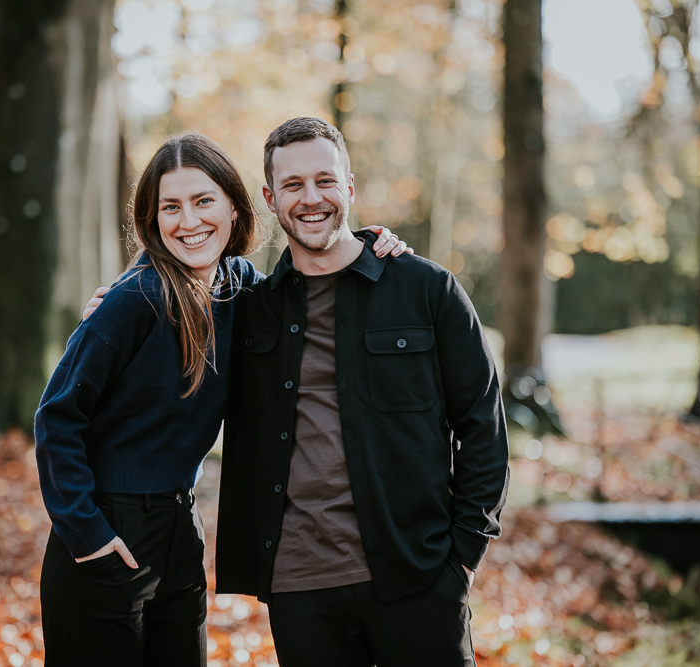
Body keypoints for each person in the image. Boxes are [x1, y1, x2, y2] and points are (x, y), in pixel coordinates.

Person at [38, 131, 409, 667]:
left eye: (203, 201)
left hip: (179, 530)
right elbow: (56, 417)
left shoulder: (242, 289)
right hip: (106, 528)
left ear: (235, 207)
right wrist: (87, 534)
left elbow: (312, 282)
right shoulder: (135, 299)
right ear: (153, 219)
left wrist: (371, 242)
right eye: (171, 206)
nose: (189, 221)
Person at [214, 117, 510, 667]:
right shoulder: (248, 310)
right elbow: (172, 301)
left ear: (349, 187)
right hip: (301, 588)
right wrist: (112, 303)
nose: (311, 198)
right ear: (270, 199)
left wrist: (464, 555)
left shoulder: (427, 290)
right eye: (293, 185)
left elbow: (483, 428)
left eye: (325, 181)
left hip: (418, 575)